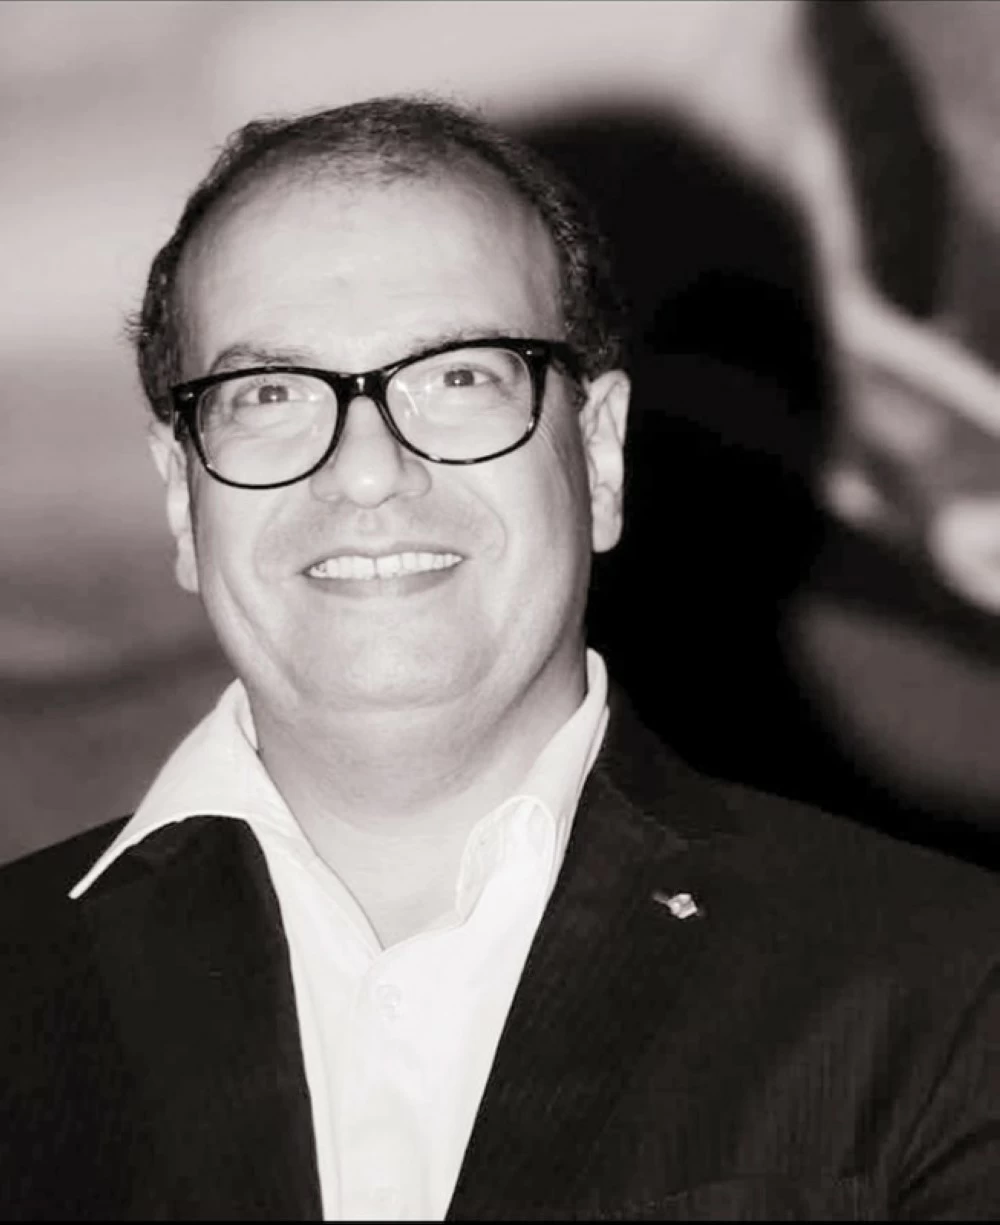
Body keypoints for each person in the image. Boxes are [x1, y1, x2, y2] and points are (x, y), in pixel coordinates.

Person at [0, 95, 997, 1222]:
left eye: (460, 377)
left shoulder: (948, 989)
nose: (365, 471)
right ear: (184, 500)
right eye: (267, 394)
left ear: (600, 456)